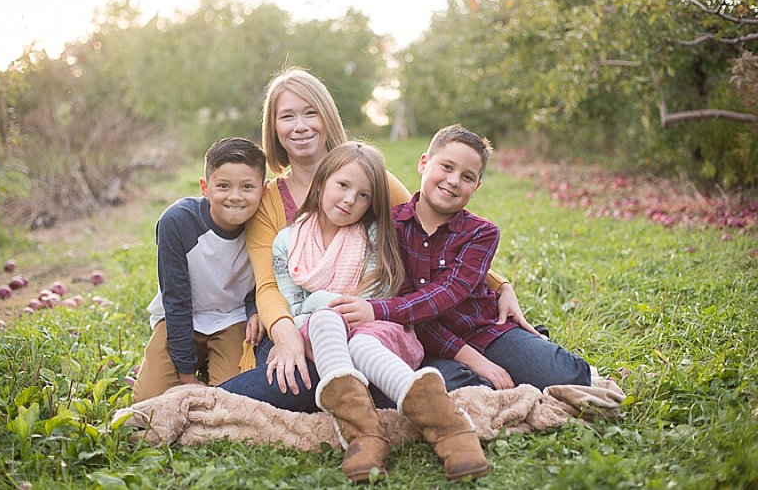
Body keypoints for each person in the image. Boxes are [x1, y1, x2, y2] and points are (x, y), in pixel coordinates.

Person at [219, 66, 528, 409]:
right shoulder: (268, 201)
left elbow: (423, 227)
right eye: (287, 116)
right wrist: (285, 334)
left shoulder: (368, 172)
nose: (300, 126)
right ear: (273, 128)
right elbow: (269, 286)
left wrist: (498, 284)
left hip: (372, 325)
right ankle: (391, 390)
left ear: (327, 118)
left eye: (311, 113)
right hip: (302, 325)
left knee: (365, 359)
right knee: (299, 372)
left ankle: (396, 388)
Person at [272, 141, 488, 482]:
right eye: (342, 186)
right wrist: (329, 305)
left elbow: (377, 295)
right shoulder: (287, 242)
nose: (349, 200)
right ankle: (364, 435)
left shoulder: (373, 235)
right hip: (322, 332)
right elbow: (294, 307)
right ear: (322, 181)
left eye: (364, 196)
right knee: (325, 318)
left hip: (378, 329)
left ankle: (449, 429)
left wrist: (327, 304)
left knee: (359, 342)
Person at [330, 125, 591, 391]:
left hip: (483, 330)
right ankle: (483, 374)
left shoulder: (481, 233)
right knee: (462, 388)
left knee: (570, 375)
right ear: (423, 163)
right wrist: (476, 362)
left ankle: (530, 346)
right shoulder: (389, 227)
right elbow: (411, 309)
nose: (454, 181)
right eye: (446, 167)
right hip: (423, 339)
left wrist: (374, 310)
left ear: (476, 187)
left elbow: (448, 292)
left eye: (467, 177)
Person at [132, 137, 267, 402]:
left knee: (234, 401)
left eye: (247, 187)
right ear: (205, 187)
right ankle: (187, 365)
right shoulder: (178, 222)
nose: (236, 197)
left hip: (231, 319)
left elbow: (263, 280)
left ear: (263, 190)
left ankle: (213, 364)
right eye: (224, 186)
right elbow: (177, 300)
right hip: (184, 318)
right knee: (147, 404)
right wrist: (186, 377)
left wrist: (255, 311)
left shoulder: (263, 225)